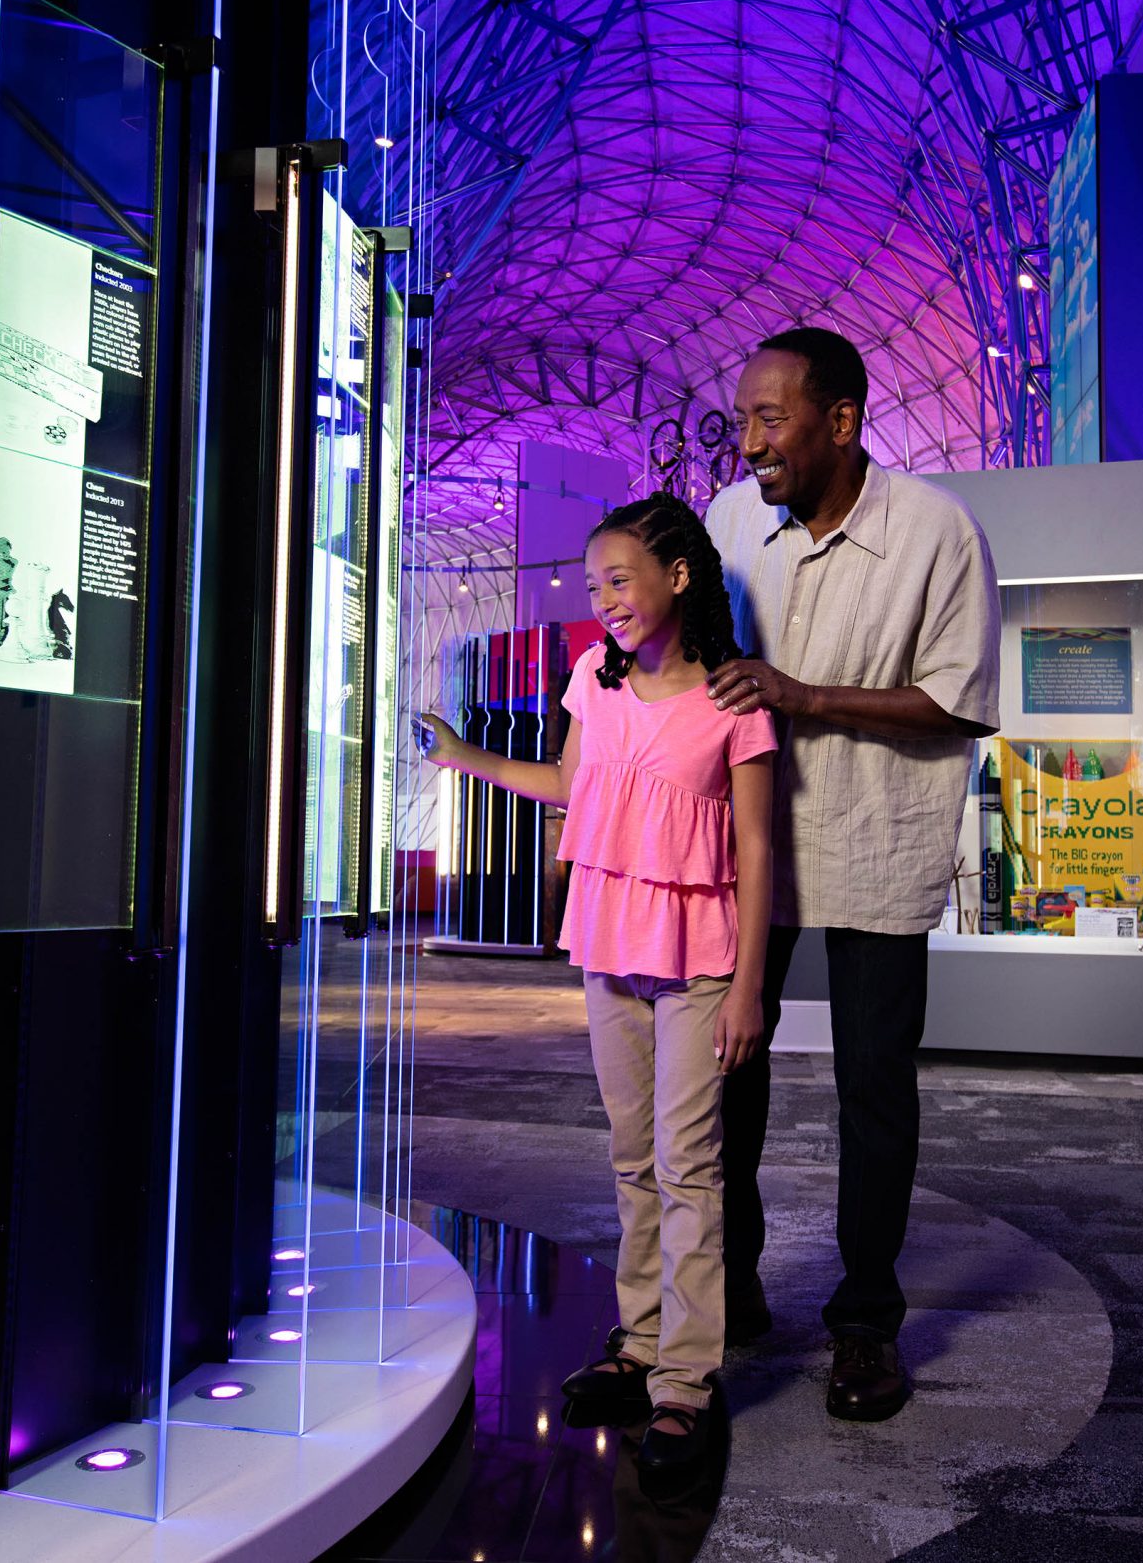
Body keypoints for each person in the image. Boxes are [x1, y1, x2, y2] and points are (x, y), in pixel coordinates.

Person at [415, 493, 776, 1471]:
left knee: (687, 1163)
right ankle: (644, 1340)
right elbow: (572, 787)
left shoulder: (730, 704)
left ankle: (685, 1384)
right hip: (610, 944)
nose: (604, 599)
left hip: (700, 961)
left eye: (620, 579)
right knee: (629, 1153)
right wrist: (466, 758)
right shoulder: (592, 677)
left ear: (679, 577)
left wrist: (748, 990)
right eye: (593, 584)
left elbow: (755, 844)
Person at [702, 327, 999, 1423]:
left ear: (840, 420)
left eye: (769, 420)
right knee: (727, 1073)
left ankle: (865, 1327)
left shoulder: (935, 531)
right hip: (748, 846)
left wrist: (806, 695)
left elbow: (960, 698)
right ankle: (726, 1293)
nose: (750, 443)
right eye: (740, 421)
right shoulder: (731, 522)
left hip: (879, 842)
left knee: (873, 1086)